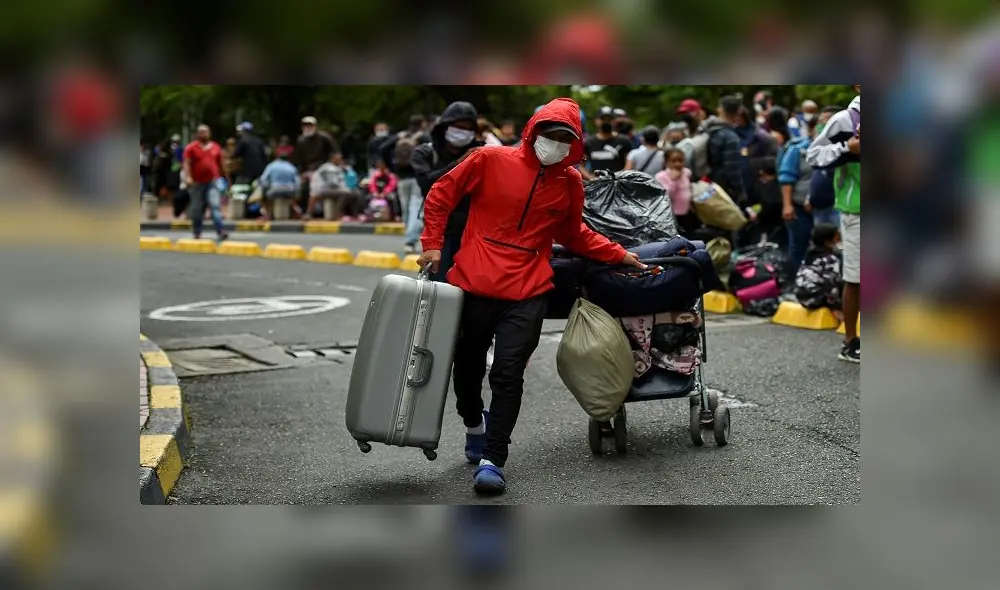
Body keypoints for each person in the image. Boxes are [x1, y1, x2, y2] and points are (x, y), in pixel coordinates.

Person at [416, 98, 644, 496]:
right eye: (549, 133)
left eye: (564, 137)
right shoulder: (488, 159)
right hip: (473, 281)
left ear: (574, 143)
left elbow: (572, 234)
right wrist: (433, 244)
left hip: (528, 288)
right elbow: (441, 194)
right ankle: (473, 422)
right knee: (467, 367)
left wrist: (620, 253)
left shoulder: (570, 181)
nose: (555, 143)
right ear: (532, 130)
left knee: (507, 372)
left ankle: (493, 458)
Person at [807, 86, 860, 364]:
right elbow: (813, 155)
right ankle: (851, 341)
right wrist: (846, 147)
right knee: (856, 278)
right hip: (856, 210)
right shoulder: (845, 120)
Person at [411, 101, 484, 275]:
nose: (462, 132)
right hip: (438, 231)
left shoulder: (481, 155)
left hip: (471, 231)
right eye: (458, 127)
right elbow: (427, 183)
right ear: (445, 127)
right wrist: (460, 163)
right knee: (438, 284)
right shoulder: (425, 153)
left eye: (468, 129)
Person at [380, 114, 433, 253]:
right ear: (422, 123)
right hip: (417, 177)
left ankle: (409, 239)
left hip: (401, 178)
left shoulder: (401, 136)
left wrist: (392, 167)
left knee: (405, 209)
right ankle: (411, 240)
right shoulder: (423, 137)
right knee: (416, 208)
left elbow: (383, 148)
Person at [778, 119, 817, 280]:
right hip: (799, 207)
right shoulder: (798, 150)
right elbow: (787, 179)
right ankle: (795, 282)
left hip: (826, 209)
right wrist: (787, 205)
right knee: (798, 246)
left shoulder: (841, 150)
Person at [182, 124, 229, 242]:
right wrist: (188, 177)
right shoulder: (191, 148)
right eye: (202, 132)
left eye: (206, 132)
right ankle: (197, 232)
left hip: (212, 182)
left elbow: (221, 164)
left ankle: (220, 231)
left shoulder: (215, 147)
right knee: (197, 209)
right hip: (197, 183)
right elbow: (187, 163)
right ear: (197, 134)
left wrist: (227, 178)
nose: (204, 134)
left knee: (215, 206)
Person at [804, 106, 843, 228]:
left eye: (824, 121)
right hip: (819, 208)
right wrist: (810, 196)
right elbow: (817, 175)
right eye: (819, 122)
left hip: (837, 207)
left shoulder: (844, 146)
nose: (820, 125)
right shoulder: (820, 148)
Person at [794, 223, 843, 320]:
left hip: (802, 297)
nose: (840, 239)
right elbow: (830, 284)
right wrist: (836, 307)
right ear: (827, 241)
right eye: (837, 236)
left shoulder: (810, 254)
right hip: (816, 300)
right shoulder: (830, 259)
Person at [733, 105, 779, 204]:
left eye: (738, 116)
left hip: (757, 184)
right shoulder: (731, 135)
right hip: (736, 184)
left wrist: (754, 163)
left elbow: (776, 159)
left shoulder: (762, 136)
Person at [296, 116, 339, 216]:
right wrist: (302, 173)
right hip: (308, 170)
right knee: (303, 189)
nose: (307, 128)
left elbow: (335, 153)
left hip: (325, 168)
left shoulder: (324, 138)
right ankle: (305, 211)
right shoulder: (301, 140)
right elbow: (299, 158)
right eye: (305, 126)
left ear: (315, 126)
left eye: (310, 126)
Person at [581, 105, 633, 179]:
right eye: (603, 119)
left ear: (615, 121)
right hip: (597, 186)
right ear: (596, 121)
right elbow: (581, 165)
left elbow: (629, 163)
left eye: (609, 119)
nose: (606, 122)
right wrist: (591, 178)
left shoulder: (624, 141)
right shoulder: (589, 142)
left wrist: (620, 178)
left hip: (618, 185)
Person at [654, 147, 697, 234]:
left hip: (687, 212)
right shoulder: (661, 176)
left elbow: (689, 190)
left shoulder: (687, 172)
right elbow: (666, 196)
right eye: (673, 161)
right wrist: (673, 180)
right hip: (672, 215)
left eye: (680, 161)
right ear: (666, 162)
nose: (677, 164)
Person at [306, 152, 355, 220]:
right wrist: (344, 187)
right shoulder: (329, 168)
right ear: (333, 159)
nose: (341, 161)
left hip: (327, 189)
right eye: (339, 159)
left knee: (347, 192)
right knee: (348, 192)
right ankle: (338, 213)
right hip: (322, 189)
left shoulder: (335, 167)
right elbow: (332, 183)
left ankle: (335, 214)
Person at [258, 149, 300, 221]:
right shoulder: (292, 167)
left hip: (275, 190)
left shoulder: (271, 166)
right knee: (293, 197)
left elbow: (263, 180)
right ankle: (295, 213)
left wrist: (266, 187)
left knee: (262, 196)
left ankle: (267, 214)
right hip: (289, 190)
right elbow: (297, 182)